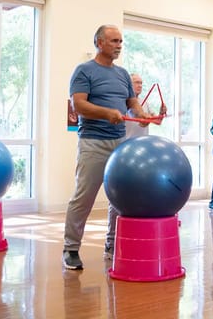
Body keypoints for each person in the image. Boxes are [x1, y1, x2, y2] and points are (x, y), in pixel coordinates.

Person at [63, 24, 160, 270]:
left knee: (120, 198)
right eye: (114, 41)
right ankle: (71, 248)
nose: (119, 46)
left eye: (120, 41)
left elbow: (132, 103)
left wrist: (142, 114)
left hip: (120, 145)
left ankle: (112, 244)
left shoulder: (123, 74)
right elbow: (79, 106)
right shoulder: (84, 71)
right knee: (83, 197)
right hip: (93, 142)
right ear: (99, 42)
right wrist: (107, 113)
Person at [123, 73, 150, 140]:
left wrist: (161, 113)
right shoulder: (122, 102)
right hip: (127, 144)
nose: (140, 85)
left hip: (143, 143)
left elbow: (158, 121)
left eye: (141, 83)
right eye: (137, 83)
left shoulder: (145, 103)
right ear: (129, 84)